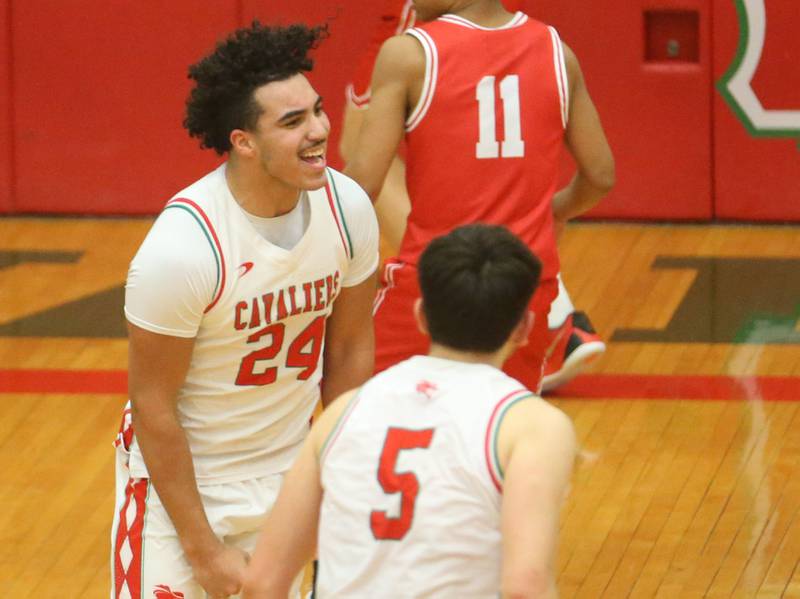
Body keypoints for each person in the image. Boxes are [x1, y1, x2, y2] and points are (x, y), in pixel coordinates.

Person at [110, 22, 379, 599]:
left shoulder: (348, 208)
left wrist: (342, 474)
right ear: (244, 142)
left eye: (318, 111)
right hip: (185, 489)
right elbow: (153, 406)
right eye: (292, 122)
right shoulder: (183, 248)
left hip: (291, 475)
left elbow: (352, 348)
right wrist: (202, 549)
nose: (319, 132)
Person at [241, 224, 577, 598]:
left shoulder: (344, 412)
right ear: (523, 328)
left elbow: (263, 583)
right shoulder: (533, 426)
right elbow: (525, 585)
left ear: (420, 316)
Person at [344, 0, 614, 393]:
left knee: (355, 409)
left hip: (434, 283)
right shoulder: (557, 50)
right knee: (494, 428)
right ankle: (559, 324)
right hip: (527, 286)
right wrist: (556, 209)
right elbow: (601, 175)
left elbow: (361, 186)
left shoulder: (409, 54)